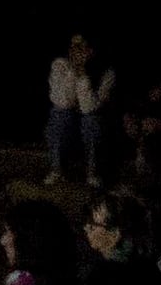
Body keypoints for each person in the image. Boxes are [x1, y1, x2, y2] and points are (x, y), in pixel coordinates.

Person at [43, 32, 116, 186]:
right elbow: (62, 102)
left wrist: (83, 75)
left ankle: (92, 173)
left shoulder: (107, 73)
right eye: (74, 48)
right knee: (58, 114)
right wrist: (74, 72)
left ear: (92, 51)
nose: (77, 52)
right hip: (69, 127)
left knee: (92, 120)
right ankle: (57, 170)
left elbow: (90, 108)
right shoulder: (60, 65)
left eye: (82, 48)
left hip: (91, 132)